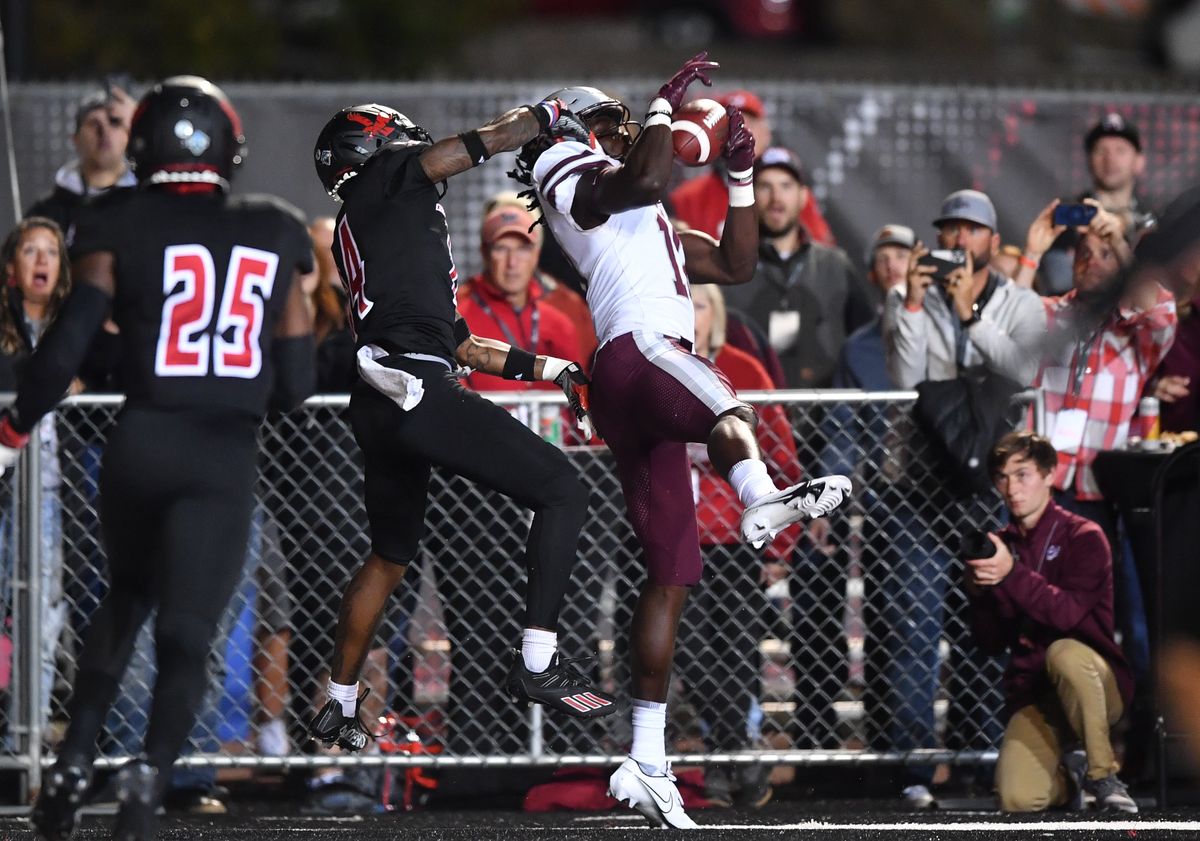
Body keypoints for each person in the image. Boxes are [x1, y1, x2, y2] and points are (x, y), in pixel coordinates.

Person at [512, 54, 851, 828]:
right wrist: (666, 111)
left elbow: (735, 262)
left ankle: (648, 758)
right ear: (575, 128)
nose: (624, 130)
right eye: (612, 123)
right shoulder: (572, 172)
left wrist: (738, 175)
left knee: (670, 573)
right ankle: (761, 501)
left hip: (631, 380)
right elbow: (639, 179)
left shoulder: (636, 209)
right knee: (733, 409)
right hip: (641, 351)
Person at [0, 76, 317, 841]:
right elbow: (300, 383)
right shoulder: (274, 228)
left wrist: (12, 430)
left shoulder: (115, 219)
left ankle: (74, 762)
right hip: (219, 452)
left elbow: (66, 346)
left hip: (139, 441)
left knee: (122, 600)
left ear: (143, 145)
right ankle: (150, 775)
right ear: (229, 145)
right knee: (187, 631)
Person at [305, 97, 618, 756]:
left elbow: (464, 344)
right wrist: (545, 114)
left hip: (384, 391)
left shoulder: (381, 223)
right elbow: (479, 142)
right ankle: (537, 658)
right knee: (566, 488)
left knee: (390, 555)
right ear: (377, 145)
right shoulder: (386, 182)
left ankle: (336, 698)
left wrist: (556, 368)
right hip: (413, 387)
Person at [881, 189, 1045, 807]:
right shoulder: (908, 297)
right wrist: (918, 304)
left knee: (988, 628)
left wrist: (972, 315)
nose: (957, 242)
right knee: (915, 629)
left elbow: (1023, 372)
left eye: (970, 232)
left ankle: (985, 757)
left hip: (987, 489)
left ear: (991, 241)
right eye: (949, 231)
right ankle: (917, 768)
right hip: (919, 487)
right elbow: (904, 380)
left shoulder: (1023, 304)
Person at [1030, 198, 1176, 687]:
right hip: (1048, 494)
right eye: (1084, 253)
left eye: (1104, 254)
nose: (1092, 262)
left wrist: (1121, 243)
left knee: (1122, 625)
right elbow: (1003, 318)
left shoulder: (1137, 335)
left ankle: (1131, 745)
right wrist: (1035, 247)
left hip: (1102, 495)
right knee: (1045, 624)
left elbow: (1163, 311)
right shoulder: (1050, 316)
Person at [967, 431, 1136, 813]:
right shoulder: (1001, 546)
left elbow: (1067, 616)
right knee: (1018, 798)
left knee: (1065, 653)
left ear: (1049, 475)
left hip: (1094, 684)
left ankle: (1102, 775)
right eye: (1003, 477)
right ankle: (1071, 778)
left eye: (1022, 474)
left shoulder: (1084, 536)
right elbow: (989, 643)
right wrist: (977, 596)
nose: (1012, 488)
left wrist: (1012, 575)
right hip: (1037, 694)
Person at [683, 283, 802, 809]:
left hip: (736, 537)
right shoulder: (653, 369)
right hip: (672, 536)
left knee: (735, 654)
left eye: (701, 303)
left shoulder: (744, 371)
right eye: (682, 301)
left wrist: (782, 545)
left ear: (719, 312)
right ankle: (738, 750)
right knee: (687, 650)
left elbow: (782, 459)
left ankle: (727, 755)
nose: (692, 313)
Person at [0, 218, 72, 744]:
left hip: (53, 493)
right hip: (6, 484)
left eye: (51, 251)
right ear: (11, 267)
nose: (41, 260)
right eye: (30, 250)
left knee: (44, 621)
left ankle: (24, 745)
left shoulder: (75, 329)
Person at [723, 146, 875, 388]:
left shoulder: (835, 265)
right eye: (765, 186)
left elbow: (867, 342)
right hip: (752, 412)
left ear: (803, 196)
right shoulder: (728, 267)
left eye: (786, 186)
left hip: (826, 416)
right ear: (749, 196)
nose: (776, 198)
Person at [666, 89, 836, 247]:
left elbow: (821, 258)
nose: (742, 132)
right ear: (714, 137)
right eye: (731, 125)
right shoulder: (686, 198)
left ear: (766, 133)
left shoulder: (787, 194)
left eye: (750, 123)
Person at [457, 202, 582, 393]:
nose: (512, 262)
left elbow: (579, 396)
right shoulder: (459, 318)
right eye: (501, 248)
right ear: (484, 253)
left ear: (536, 254)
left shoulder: (560, 322)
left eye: (522, 248)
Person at [1036, 114, 1155, 295]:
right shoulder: (1068, 216)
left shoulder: (1154, 219)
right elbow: (1056, 281)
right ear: (1089, 160)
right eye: (1101, 150)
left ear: (1139, 161)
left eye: (1120, 150)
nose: (1110, 159)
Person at [26, 85, 138, 244]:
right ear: (75, 140)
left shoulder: (144, 200)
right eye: (93, 123)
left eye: (114, 123)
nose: (104, 132)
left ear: (128, 134)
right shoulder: (47, 211)